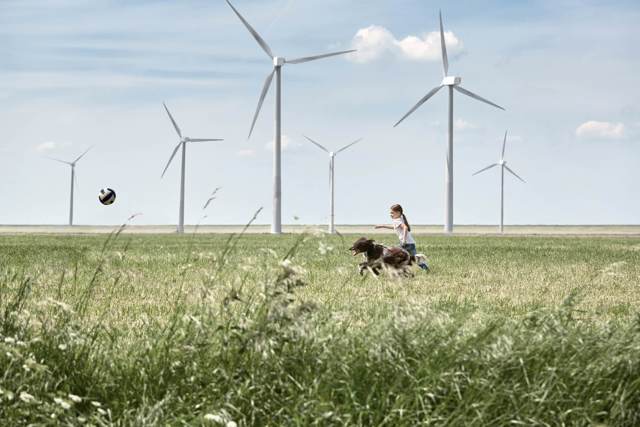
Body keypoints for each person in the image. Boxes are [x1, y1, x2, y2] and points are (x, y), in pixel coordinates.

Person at [374, 204, 429, 271]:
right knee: (414, 258)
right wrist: (382, 226)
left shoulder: (398, 220)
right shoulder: (400, 219)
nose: (390, 214)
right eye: (390, 213)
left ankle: (396, 269)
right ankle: (425, 268)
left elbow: (405, 227)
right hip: (411, 243)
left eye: (392, 213)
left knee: (392, 253)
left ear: (398, 212)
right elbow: (394, 227)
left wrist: (404, 239)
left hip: (406, 243)